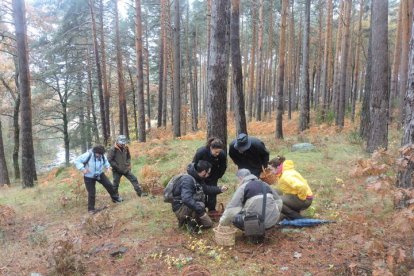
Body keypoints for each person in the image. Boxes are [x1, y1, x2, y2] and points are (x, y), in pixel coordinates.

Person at [219, 169, 283, 234]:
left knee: (236, 218)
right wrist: (275, 213)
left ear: (240, 178)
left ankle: (253, 234)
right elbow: (279, 201)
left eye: (238, 180)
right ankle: (267, 227)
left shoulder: (243, 187)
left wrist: (222, 222)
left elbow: (231, 210)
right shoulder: (265, 184)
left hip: (255, 224)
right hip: (271, 222)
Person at [172, 161, 228, 229]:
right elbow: (186, 199)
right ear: (204, 171)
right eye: (208, 173)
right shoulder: (187, 180)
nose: (208, 175)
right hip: (180, 208)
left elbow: (206, 189)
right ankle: (190, 225)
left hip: (185, 206)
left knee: (207, 220)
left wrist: (220, 189)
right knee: (200, 205)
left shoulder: (197, 177)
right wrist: (201, 211)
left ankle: (188, 221)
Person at [74, 145, 123, 214]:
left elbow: (105, 161)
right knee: (91, 193)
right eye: (98, 154)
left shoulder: (102, 155)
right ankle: (91, 209)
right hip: (89, 176)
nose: (99, 155)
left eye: (101, 154)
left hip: (99, 174)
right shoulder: (88, 154)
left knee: (109, 185)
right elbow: (77, 161)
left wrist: (108, 167)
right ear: (95, 152)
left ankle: (115, 198)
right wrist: (82, 169)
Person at [192, 137, 227, 212]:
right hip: (201, 175)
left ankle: (212, 209)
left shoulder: (222, 154)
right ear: (211, 148)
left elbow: (223, 166)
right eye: (216, 152)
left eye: (219, 152)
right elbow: (194, 164)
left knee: (213, 192)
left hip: (213, 175)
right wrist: (198, 176)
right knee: (201, 191)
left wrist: (218, 176)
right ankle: (201, 209)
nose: (217, 154)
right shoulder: (201, 152)